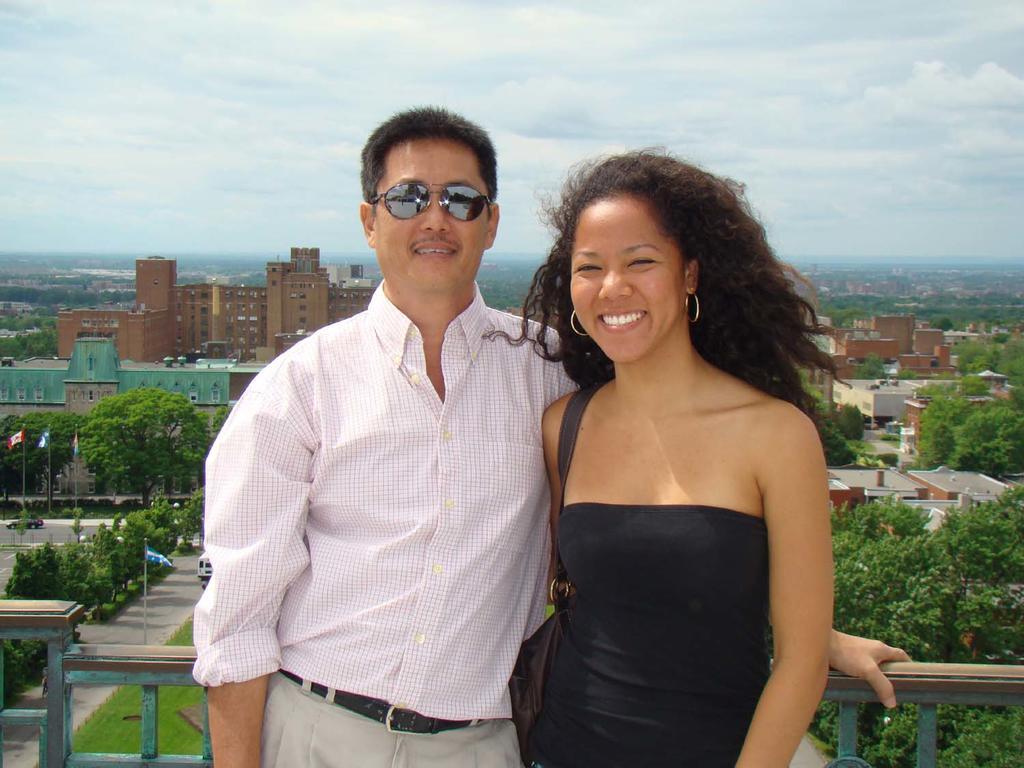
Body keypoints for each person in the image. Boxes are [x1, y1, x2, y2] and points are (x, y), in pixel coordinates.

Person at [193, 107, 908, 768]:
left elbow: (672, 518)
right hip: (318, 733)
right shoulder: (297, 390)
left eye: (462, 200)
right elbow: (236, 625)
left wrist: (808, 639)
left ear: (492, 223)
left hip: (484, 747)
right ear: (368, 219)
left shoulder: (544, 377)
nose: (436, 218)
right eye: (409, 197)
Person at [520, 150, 838, 767]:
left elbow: (802, 661)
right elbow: (603, 593)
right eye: (590, 268)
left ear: (690, 274)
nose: (614, 288)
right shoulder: (567, 426)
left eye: (641, 261)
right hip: (559, 751)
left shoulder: (776, 435)